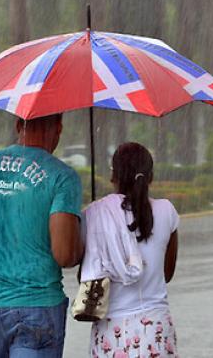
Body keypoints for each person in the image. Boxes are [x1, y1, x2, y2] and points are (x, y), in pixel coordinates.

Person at [0, 114, 83, 357]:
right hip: (36, 304)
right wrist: (81, 240)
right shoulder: (62, 177)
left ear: (18, 125)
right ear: (59, 128)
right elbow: (65, 256)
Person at [83, 142, 179, 357]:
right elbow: (167, 273)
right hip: (155, 329)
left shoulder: (95, 214)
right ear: (150, 177)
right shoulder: (167, 210)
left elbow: (87, 274)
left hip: (110, 328)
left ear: (113, 177)